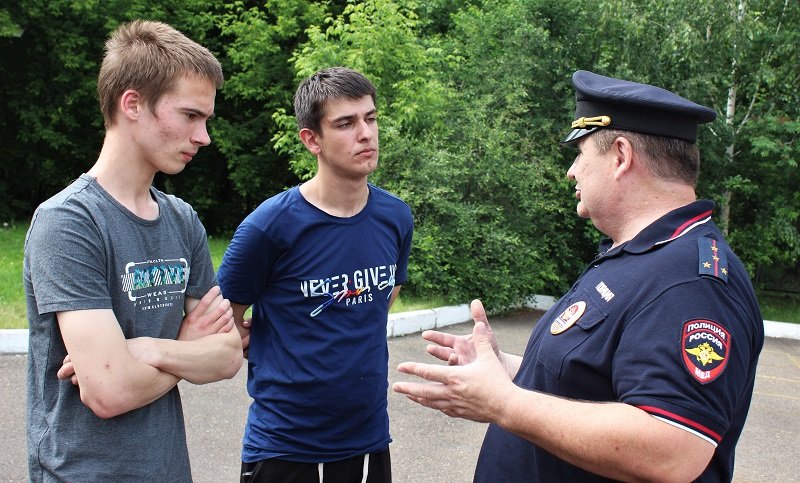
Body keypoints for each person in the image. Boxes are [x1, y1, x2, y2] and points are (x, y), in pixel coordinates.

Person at [393, 70, 764, 482]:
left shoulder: (692, 283)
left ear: (621, 156)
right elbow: (589, 380)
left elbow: (672, 448)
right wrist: (508, 370)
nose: (572, 171)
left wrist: (503, 404)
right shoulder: (641, 252)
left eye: (581, 154)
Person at [24, 20, 243, 482]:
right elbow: (108, 391)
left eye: (206, 119)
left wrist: (146, 349)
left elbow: (226, 355)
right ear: (133, 105)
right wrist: (184, 347)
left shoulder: (181, 219)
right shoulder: (69, 222)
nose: (203, 136)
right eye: (190, 115)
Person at [217, 66, 413, 483]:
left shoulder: (395, 217)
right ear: (312, 140)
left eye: (371, 118)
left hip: (367, 441)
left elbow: (385, 296)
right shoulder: (268, 227)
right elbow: (222, 320)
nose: (366, 133)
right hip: (285, 447)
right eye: (346, 123)